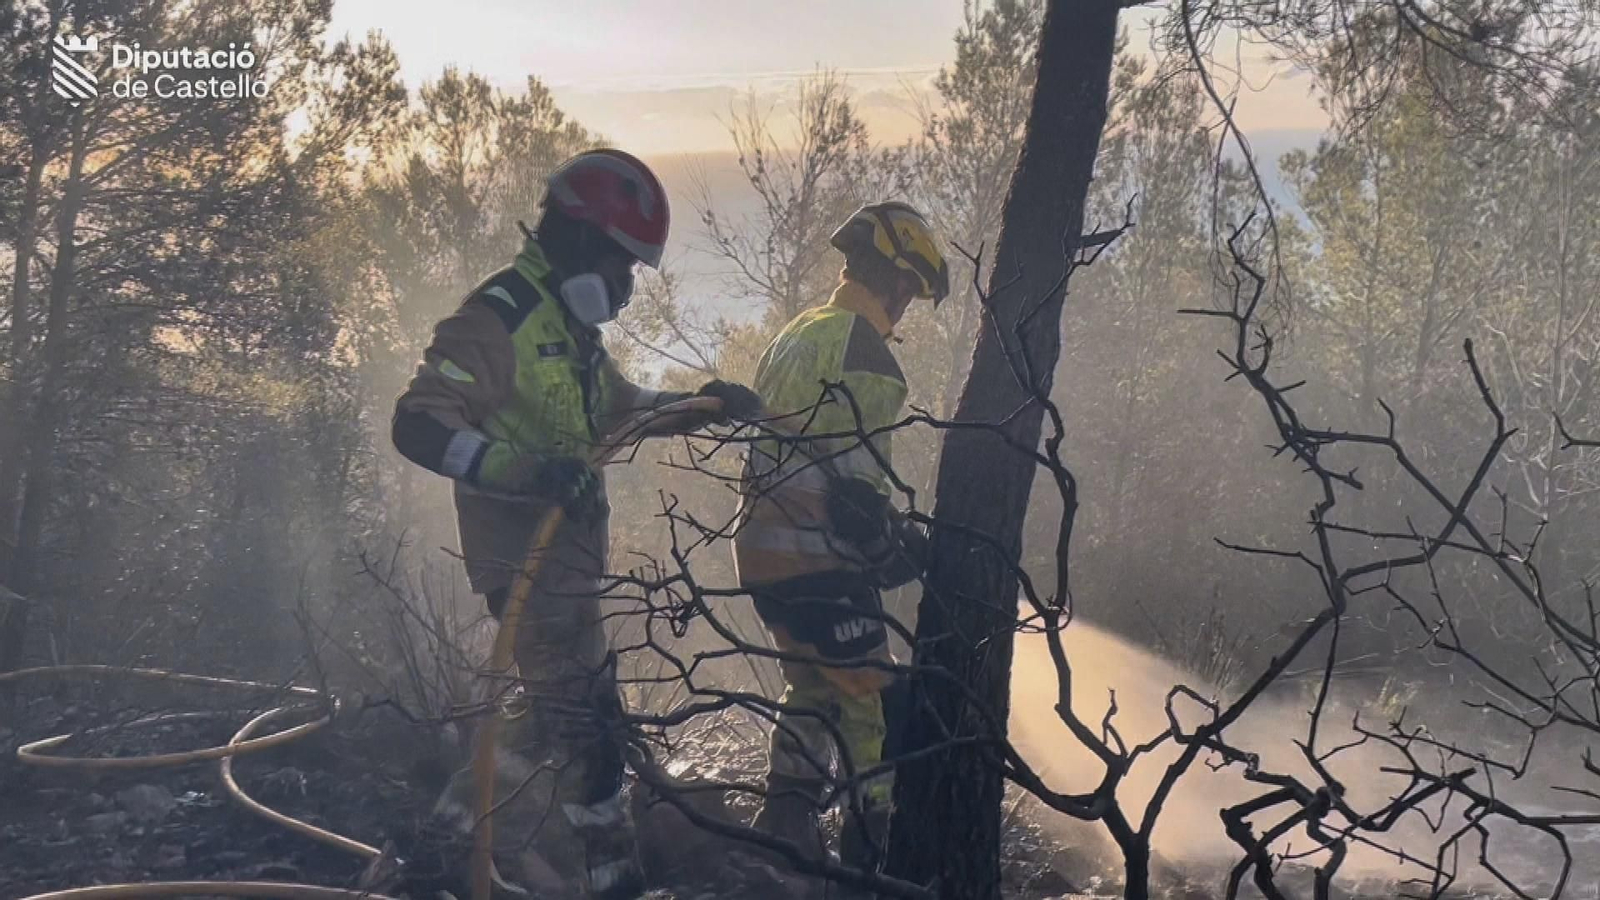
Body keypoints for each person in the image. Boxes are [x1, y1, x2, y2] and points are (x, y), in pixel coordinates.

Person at [391, 148, 760, 899]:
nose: (626, 288)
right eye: (622, 266)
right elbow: (417, 426)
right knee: (590, 738)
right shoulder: (497, 321)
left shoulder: (568, 327)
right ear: (580, 241)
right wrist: (527, 474)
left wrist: (701, 404)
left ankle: (446, 833)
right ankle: (615, 880)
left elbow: (619, 408)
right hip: (523, 573)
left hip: (567, 571)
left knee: (543, 721)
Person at [731, 201, 948, 874]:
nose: (908, 303)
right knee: (868, 707)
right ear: (895, 279)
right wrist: (894, 544)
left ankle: (784, 841)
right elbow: (858, 494)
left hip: (763, 558)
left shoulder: (799, 330)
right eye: (909, 288)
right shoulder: (871, 357)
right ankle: (869, 863)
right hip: (817, 561)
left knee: (812, 691)